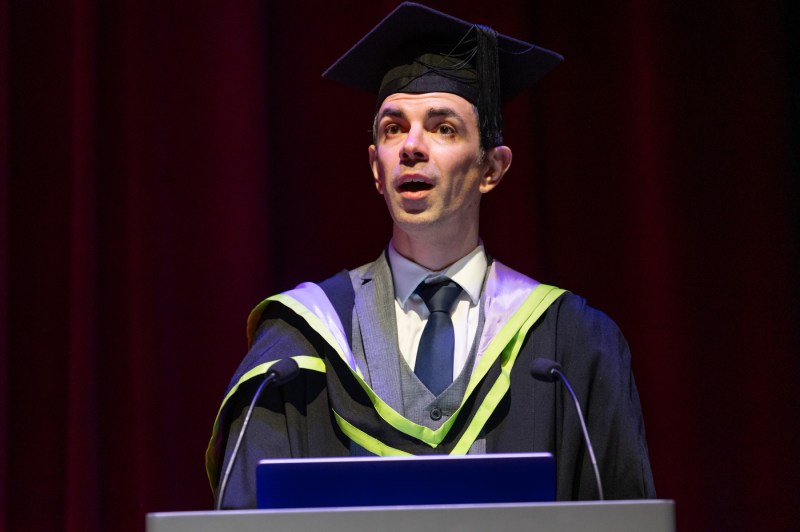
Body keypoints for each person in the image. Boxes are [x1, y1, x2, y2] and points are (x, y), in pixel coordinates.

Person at [206, 2, 656, 509]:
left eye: (443, 128)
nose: (411, 146)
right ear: (376, 168)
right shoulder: (296, 345)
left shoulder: (572, 346)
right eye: (393, 128)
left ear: (492, 168)